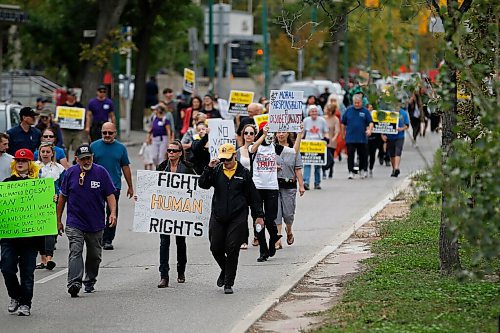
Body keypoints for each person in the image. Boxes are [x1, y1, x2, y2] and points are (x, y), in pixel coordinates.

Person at [198, 143, 265, 294]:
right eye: (223, 159)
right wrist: (208, 168)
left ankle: (228, 282)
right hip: (218, 215)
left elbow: (254, 197)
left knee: (232, 248)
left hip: (238, 216)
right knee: (215, 247)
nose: (225, 162)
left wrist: (259, 216)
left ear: (234, 156)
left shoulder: (244, 173)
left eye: (228, 159)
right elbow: (203, 184)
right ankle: (225, 269)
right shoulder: (216, 171)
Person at [57, 144, 117, 297]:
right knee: (75, 251)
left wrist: (113, 213)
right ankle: (74, 283)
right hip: (75, 222)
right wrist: (58, 220)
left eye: (88, 158)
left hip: (95, 223)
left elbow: (110, 195)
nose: (86, 161)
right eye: (82, 159)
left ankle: (90, 281)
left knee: (94, 256)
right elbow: (62, 198)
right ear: (76, 159)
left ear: (92, 157)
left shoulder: (100, 172)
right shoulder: (70, 173)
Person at [1, 148, 43, 316]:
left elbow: (44, 210)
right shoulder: (6, 183)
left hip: (30, 238)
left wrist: (51, 199)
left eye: (24, 161)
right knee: (6, 268)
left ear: (30, 164)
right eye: (18, 160)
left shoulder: (38, 185)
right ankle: (15, 296)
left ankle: (26, 303)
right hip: (9, 236)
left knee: (27, 273)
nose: (20, 163)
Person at [155, 140, 195, 288]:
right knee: (164, 243)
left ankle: (181, 271)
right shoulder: (161, 168)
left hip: (181, 212)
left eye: (174, 151)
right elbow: (153, 186)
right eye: (169, 150)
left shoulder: (188, 168)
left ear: (180, 153)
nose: (170, 153)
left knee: (180, 242)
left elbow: (197, 187)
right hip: (165, 212)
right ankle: (164, 276)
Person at [91, 122, 134, 250]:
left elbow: (125, 167)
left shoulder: (121, 148)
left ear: (115, 133)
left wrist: (130, 186)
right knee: (96, 212)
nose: (107, 135)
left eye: (110, 133)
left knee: (112, 212)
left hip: (114, 185)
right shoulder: (94, 146)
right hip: (96, 185)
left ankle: (108, 239)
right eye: (105, 133)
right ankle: (97, 237)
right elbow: (86, 165)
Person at [249, 123, 281, 262]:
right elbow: (252, 149)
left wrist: (299, 135)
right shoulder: (255, 147)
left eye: (271, 135)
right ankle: (263, 249)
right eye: (267, 134)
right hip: (257, 187)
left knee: (270, 219)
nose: (269, 137)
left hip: (272, 187)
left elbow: (294, 151)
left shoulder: (275, 147)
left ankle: (273, 237)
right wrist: (263, 135)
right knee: (258, 219)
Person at [35, 142, 65, 270]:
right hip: (37, 203)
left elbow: (63, 186)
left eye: (48, 152)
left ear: (52, 153)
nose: (45, 154)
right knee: (40, 231)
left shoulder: (59, 168)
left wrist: (58, 196)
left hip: (53, 203)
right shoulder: (34, 167)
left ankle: (49, 259)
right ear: (39, 153)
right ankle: (42, 259)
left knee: (51, 231)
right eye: (43, 152)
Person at [274, 129, 305, 249]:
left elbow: (297, 169)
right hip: (274, 184)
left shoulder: (294, 150)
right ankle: (277, 239)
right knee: (276, 212)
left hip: (289, 185)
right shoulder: (272, 148)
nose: (281, 134)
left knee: (288, 213)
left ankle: (289, 230)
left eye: (283, 132)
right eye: (278, 132)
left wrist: (301, 185)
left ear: (288, 134)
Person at [235, 123, 257, 249]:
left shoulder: (259, 149)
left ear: (255, 136)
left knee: (256, 213)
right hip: (242, 186)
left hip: (256, 185)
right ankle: (243, 239)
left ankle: (257, 235)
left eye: (251, 133)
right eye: (246, 133)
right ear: (243, 135)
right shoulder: (238, 151)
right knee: (242, 214)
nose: (248, 135)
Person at [342, 94, 373, 179]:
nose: (357, 104)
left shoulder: (365, 111)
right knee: (350, 155)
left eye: (358, 103)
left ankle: (363, 170)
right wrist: (342, 134)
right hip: (350, 137)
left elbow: (370, 122)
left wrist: (370, 129)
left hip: (362, 138)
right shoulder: (348, 110)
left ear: (361, 102)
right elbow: (343, 123)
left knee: (363, 155)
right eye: (355, 103)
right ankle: (351, 171)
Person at [302, 105, 329, 189]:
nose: (314, 113)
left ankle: (317, 183)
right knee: (307, 164)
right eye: (312, 111)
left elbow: (326, 132)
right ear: (309, 112)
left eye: (315, 111)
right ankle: (306, 182)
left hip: (318, 144)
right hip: (308, 144)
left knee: (318, 165)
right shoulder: (306, 120)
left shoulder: (322, 120)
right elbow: (302, 133)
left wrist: (327, 139)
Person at [384, 105, 410, 177]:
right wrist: (383, 134)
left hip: (400, 136)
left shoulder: (403, 113)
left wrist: (401, 129)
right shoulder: (388, 113)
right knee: (392, 154)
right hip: (390, 136)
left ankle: (396, 168)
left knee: (398, 151)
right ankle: (394, 169)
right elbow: (383, 125)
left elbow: (407, 125)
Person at [61, 89, 86, 157]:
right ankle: (65, 164)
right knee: (65, 149)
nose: (73, 97)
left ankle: (77, 163)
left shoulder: (79, 106)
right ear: (68, 96)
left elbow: (83, 117)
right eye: (72, 95)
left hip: (77, 131)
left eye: (74, 95)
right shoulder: (63, 106)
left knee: (78, 148)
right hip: (65, 131)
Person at [322, 103, 340, 179]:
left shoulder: (335, 119)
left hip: (332, 141)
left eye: (329, 111)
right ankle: (323, 172)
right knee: (323, 157)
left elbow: (337, 131)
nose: (327, 112)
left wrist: (334, 138)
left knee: (331, 157)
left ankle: (331, 171)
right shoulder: (323, 118)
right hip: (323, 140)